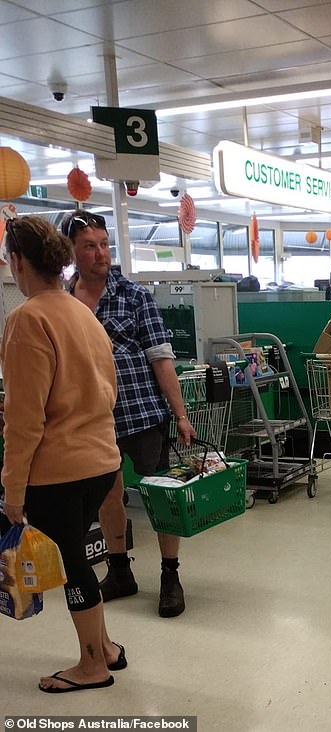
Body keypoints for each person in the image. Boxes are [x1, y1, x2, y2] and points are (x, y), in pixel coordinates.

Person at [1, 216, 125, 692]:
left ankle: (92, 665)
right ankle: (106, 645)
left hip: (58, 469)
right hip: (101, 461)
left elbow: (24, 418)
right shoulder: (81, 314)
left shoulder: (27, 319)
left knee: (73, 561)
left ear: (16, 261)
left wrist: (13, 490)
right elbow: (108, 389)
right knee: (79, 554)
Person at [60, 210, 196, 618]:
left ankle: (170, 574)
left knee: (161, 494)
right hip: (92, 418)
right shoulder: (65, 301)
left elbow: (161, 358)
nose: (100, 253)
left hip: (141, 414)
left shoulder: (135, 296)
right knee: (108, 495)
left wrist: (182, 415)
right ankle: (120, 570)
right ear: (73, 252)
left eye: (104, 244)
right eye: (90, 246)